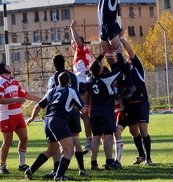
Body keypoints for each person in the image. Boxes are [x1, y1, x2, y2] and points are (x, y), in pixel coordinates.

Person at [24, 72, 86, 181]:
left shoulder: (52, 91)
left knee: (51, 150)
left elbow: (38, 106)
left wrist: (32, 118)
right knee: (69, 149)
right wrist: (79, 110)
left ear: (58, 81)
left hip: (47, 121)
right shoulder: (72, 91)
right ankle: (59, 176)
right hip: (58, 120)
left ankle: (30, 170)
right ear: (70, 81)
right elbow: (83, 109)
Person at [97, 0, 135, 99]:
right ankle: (119, 84)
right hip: (102, 27)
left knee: (119, 54)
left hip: (112, 25)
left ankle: (130, 83)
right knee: (109, 57)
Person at [42, 54, 88, 178]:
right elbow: (83, 90)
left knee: (57, 142)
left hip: (60, 113)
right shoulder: (74, 76)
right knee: (76, 140)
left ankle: (57, 170)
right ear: (64, 63)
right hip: (73, 112)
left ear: (54, 65)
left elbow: (51, 95)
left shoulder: (53, 78)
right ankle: (81, 168)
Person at [0, 63, 41, 174]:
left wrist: (42, 99)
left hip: (18, 114)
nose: (9, 66)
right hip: (6, 115)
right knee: (7, 141)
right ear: (2, 70)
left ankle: (22, 164)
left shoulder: (14, 82)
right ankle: (2, 166)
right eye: (7, 66)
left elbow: (25, 95)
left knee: (24, 138)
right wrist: (16, 99)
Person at [86, 52, 124, 171]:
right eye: (101, 65)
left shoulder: (90, 78)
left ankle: (93, 163)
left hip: (94, 112)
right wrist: (119, 55)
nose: (103, 65)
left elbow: (91, 69)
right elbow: (119, 69)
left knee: (96, 137)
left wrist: (101, 56)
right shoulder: (106, 79)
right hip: (106, 112)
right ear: (100, 70)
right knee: (108, 135)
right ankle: (109, 161)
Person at [119, 36, 152, 166]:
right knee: (133, 132)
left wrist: (121, 39)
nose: (128, 60)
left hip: (141, 103)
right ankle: (141, 155)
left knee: (143, 130)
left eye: (128, 59)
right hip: (129, 106)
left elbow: (131, 52)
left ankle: (148, 158)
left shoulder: (138, 68)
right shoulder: (123, 72)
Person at [70, 20, 94, 154]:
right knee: (84, 114)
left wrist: (72, 29)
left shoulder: (81, 49)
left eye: (73, 41)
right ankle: (90, 140)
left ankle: (88, 141)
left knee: (84, 114)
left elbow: (78, 42)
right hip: (82, 85)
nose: (73, 44)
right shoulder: (83, 54)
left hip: (83, 86)